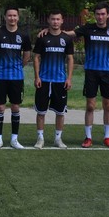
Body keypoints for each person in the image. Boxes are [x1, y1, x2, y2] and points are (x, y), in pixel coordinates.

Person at [59, 3, 109, 148]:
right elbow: (70, 34)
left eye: (103, 14)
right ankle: (88, 137)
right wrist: (52, 30)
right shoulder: (88, 28)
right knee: (90, 106)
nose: (100, 17)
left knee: (108, 105)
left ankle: (107, 137)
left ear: (108, 15)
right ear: (94, 15)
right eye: (98, 14)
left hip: (107, 73)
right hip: (91, 73)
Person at [0, 7, 32, 150]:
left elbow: (27, 56)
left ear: (18, 17)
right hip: (0, 76)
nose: (12, 18)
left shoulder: (23, 35)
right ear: (5, 17)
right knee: (0, 107)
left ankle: (14, 139)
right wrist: (0, 66)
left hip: (16, 77)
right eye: (9, 15)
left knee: (15, 106)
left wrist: (17, 67)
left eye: (14, 15)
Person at [32, 10, 74, 149]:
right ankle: (40, 139)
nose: (55, 22)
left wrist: (69, 78)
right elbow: (36, 57)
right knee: (41, 112)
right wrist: (37, 76)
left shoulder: (66, 39)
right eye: (53, 19)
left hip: (60, 81)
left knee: (60, 112)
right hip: (44, 80)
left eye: (58, 19)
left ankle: (58, 139)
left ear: (62, 21)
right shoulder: (42, 37)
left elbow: (70, 59)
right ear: (48, 20)